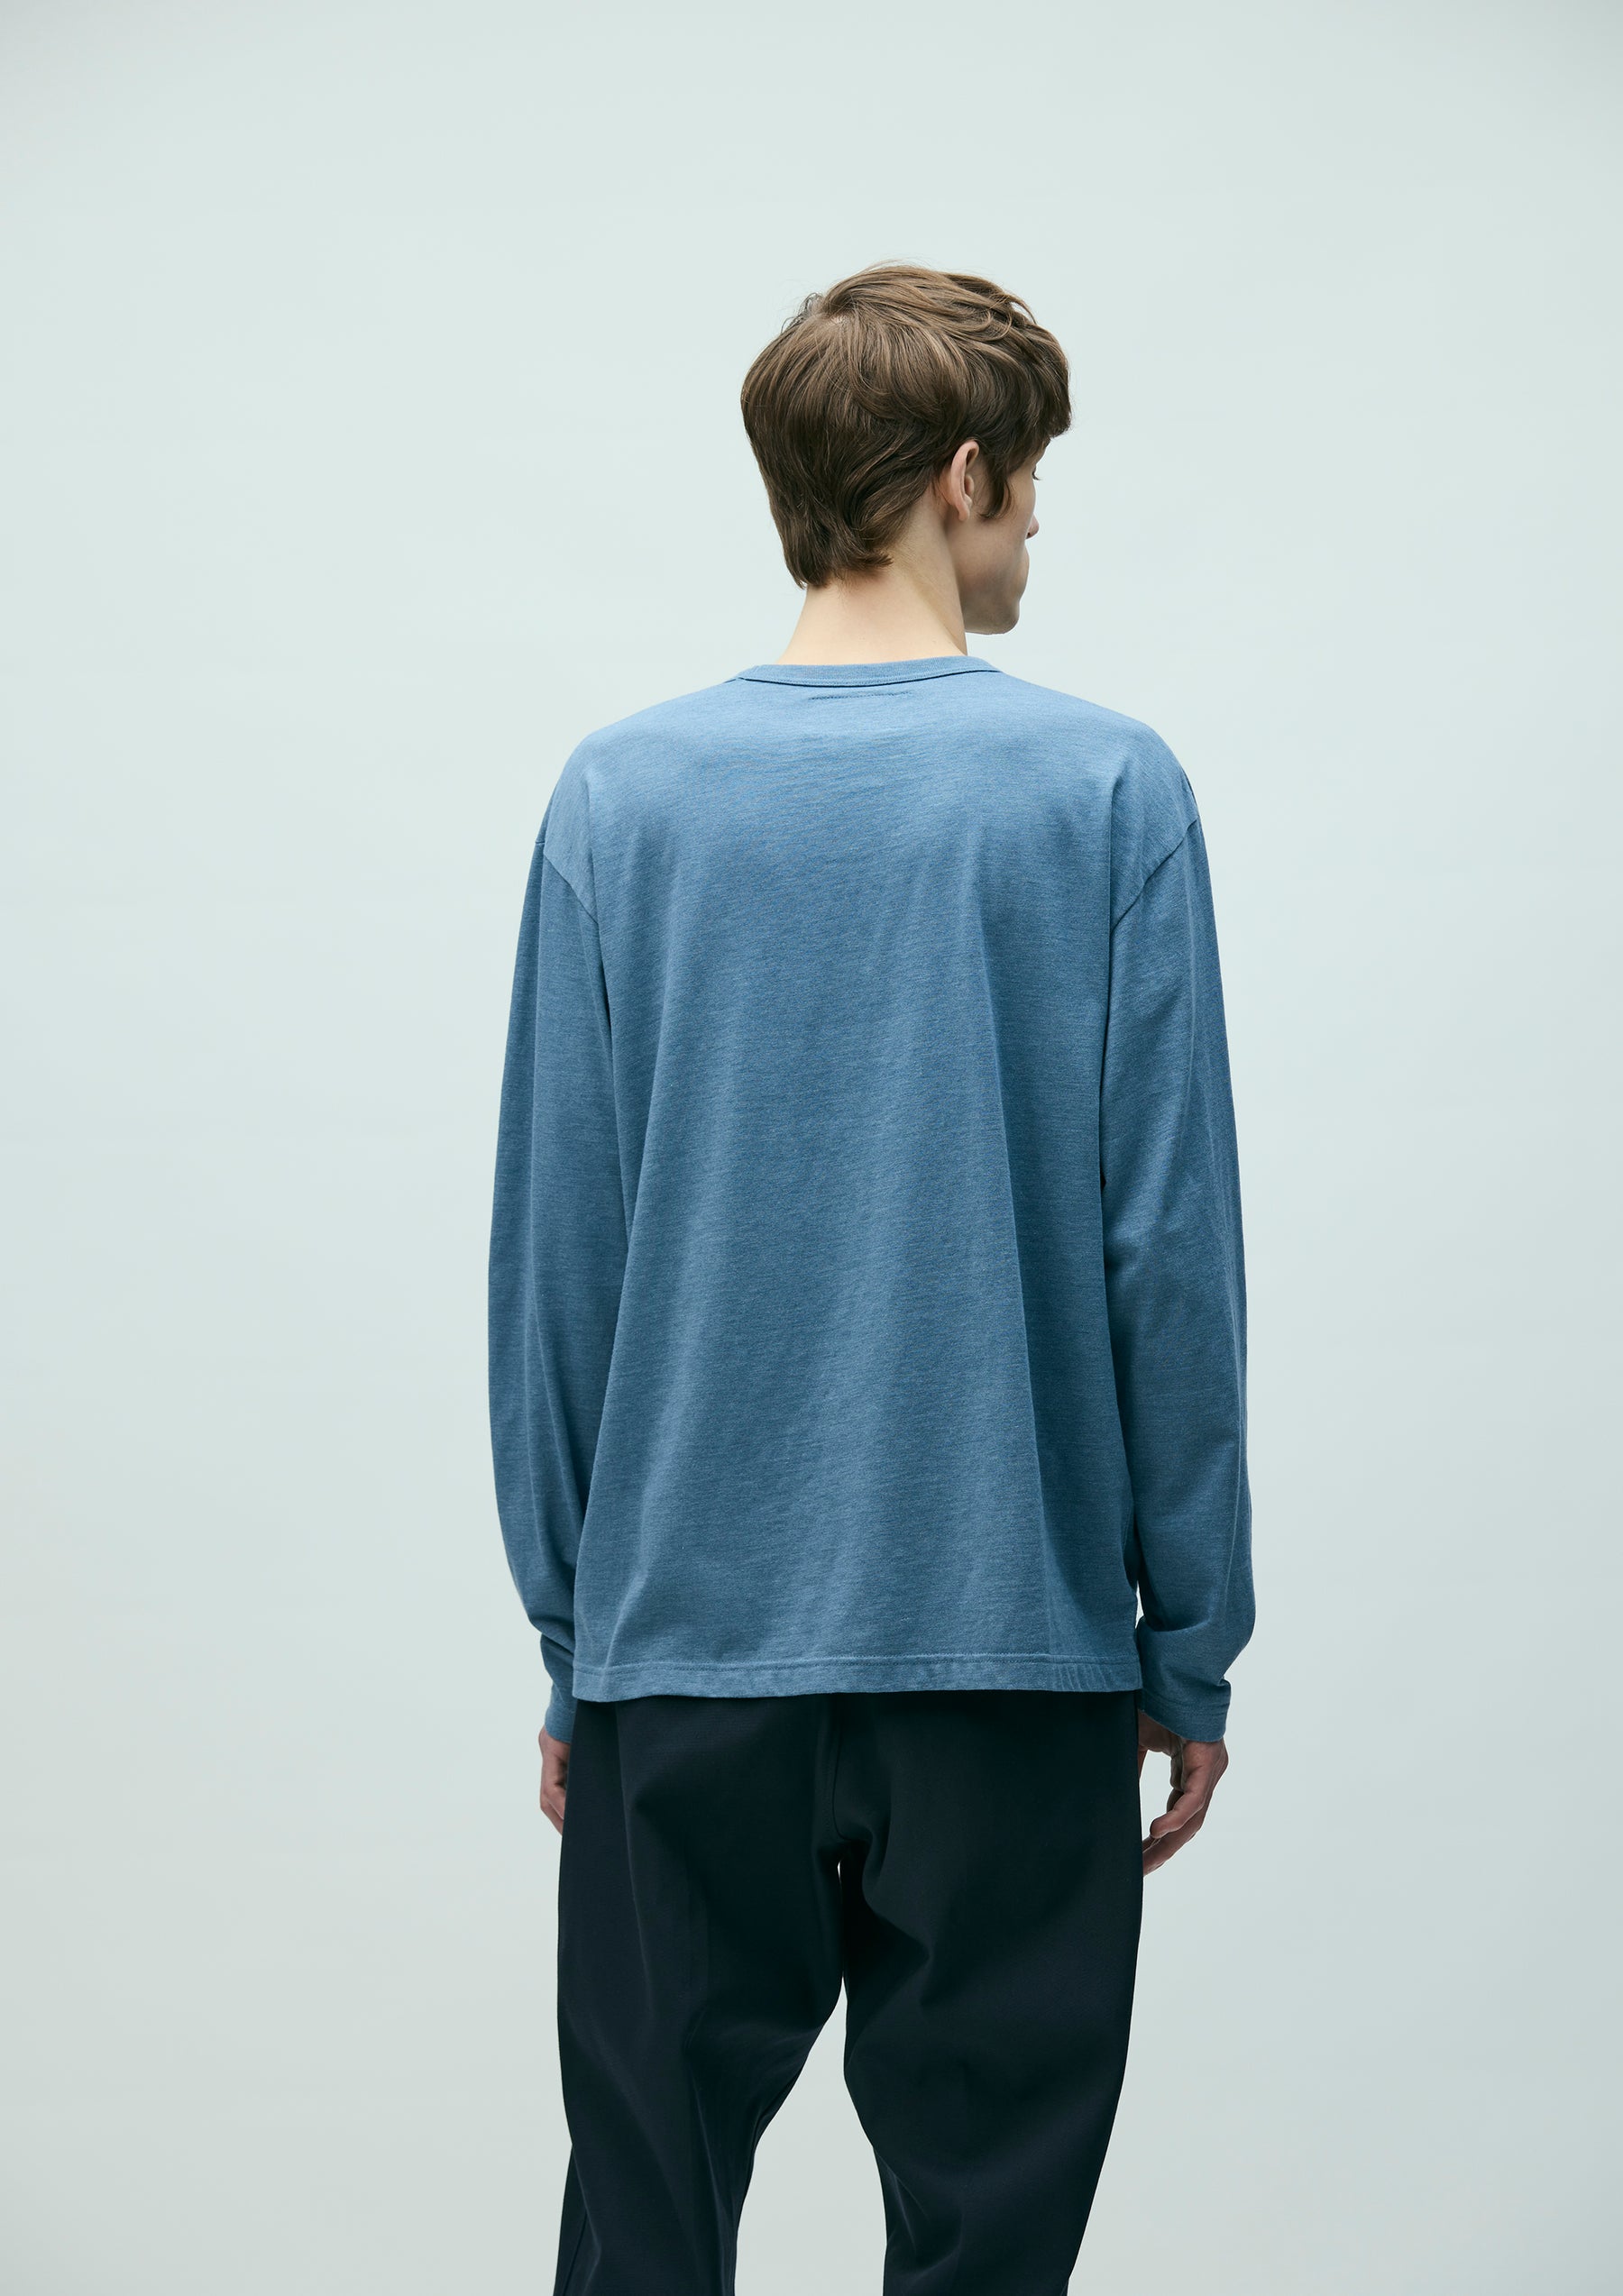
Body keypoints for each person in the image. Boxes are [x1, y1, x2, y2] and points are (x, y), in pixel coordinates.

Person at [488, 262, 1255, 2296]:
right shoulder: (1107, 794)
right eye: (1033, 485)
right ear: (963, 476)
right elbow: (1169, 1257)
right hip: (1013, 1666)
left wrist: (577, 1638)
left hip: (683, 1663)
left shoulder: (621, 799)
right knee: (988, 2255)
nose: (1038, 531)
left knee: (641, 2244)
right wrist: (1190, 1645)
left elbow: (560, 1262)